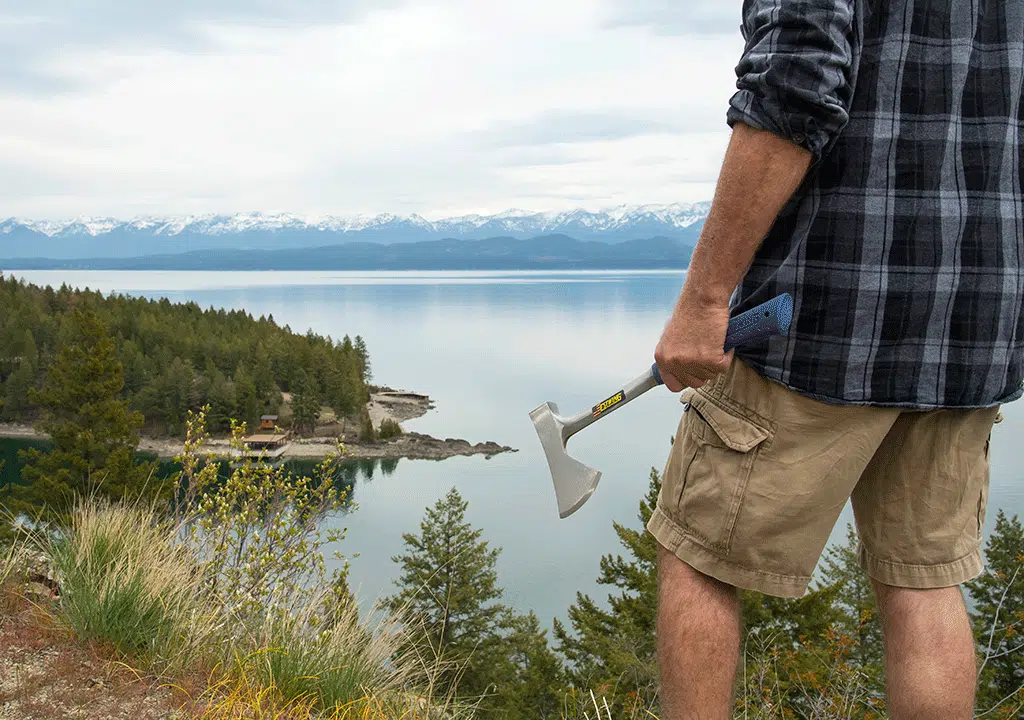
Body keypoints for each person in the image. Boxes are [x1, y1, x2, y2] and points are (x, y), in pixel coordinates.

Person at [651, 1, 1023, 718]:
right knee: (923, 578)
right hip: (973, 317)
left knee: (699, 556)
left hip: (820, 309)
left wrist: (704, 300)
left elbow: (793, 83)